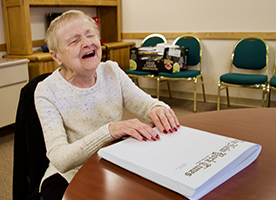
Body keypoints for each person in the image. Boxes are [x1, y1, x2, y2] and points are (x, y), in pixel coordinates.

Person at [34, 10, 180, 200]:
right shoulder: (46, 91)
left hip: (112, 163)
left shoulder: (112, 70)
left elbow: (147, 105)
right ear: (56, 56)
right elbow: (60, 159)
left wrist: (157, 109)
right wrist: (109, 131)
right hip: (69, 174)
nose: (87, 43)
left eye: (90, 34)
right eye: (74, 40)